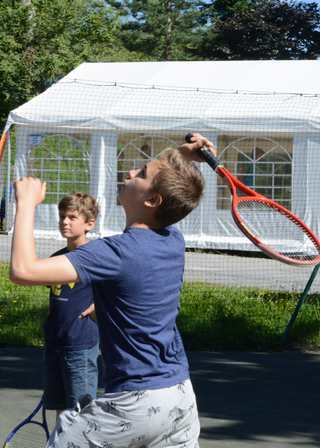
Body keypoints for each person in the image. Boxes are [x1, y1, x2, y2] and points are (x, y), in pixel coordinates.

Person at [10, 133, 217, 448]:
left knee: (65, 436)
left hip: (135, 404)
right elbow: (174, 191)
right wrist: (183, 156)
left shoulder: (115, 253)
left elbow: (23, 270)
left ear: (152, 200)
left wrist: (25, 204)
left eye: (142, 174)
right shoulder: (172, 240)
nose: (130, 172)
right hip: (180, 398)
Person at [43, 193, 100, 418]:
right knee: (61, 412)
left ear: (89, 223)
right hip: (55, 343)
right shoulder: (56, 258)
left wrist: (99, 304)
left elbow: (122, 287)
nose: (65, 222)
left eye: (72, 217)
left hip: (81, 346)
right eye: (62, 217)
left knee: (81, 413)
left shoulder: (97, 256)